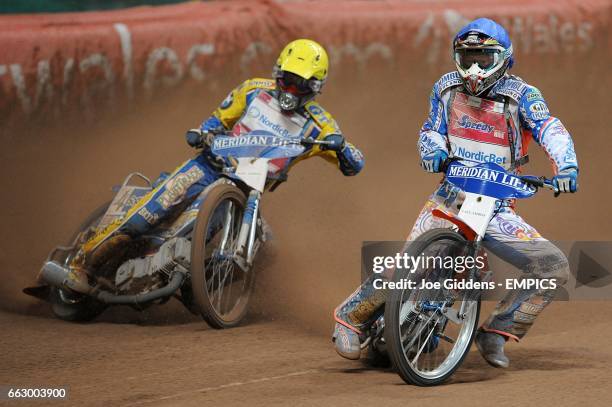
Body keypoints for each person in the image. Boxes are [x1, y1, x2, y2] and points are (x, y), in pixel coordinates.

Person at [332, 18, 578, 368]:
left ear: (505, 58)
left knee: (553, 267)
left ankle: (495, 332)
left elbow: (550, 128)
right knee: (408, 263)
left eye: (483, 58)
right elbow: (430, 130)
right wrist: (431, 148)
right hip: (450, 197)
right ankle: (351, 317)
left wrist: (566, 167)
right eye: (467, 58)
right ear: (455, 58)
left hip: (497, 208)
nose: (474, 68)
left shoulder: (523, 96)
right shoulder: (446, 88)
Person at [67, 39, 364, 285]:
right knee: (146, 216)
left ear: (315, 86)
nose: (289, 91)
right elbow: (216, 119)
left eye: (299, 86)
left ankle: (184, 283)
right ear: (277, 74)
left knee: (227, 241)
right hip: (207, 167)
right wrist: (203, 132)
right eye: (286, 80)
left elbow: (355, 163)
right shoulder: (253, 90)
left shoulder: (320, 124)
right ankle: (81, 264)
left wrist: (342, 149)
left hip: (245, 191)